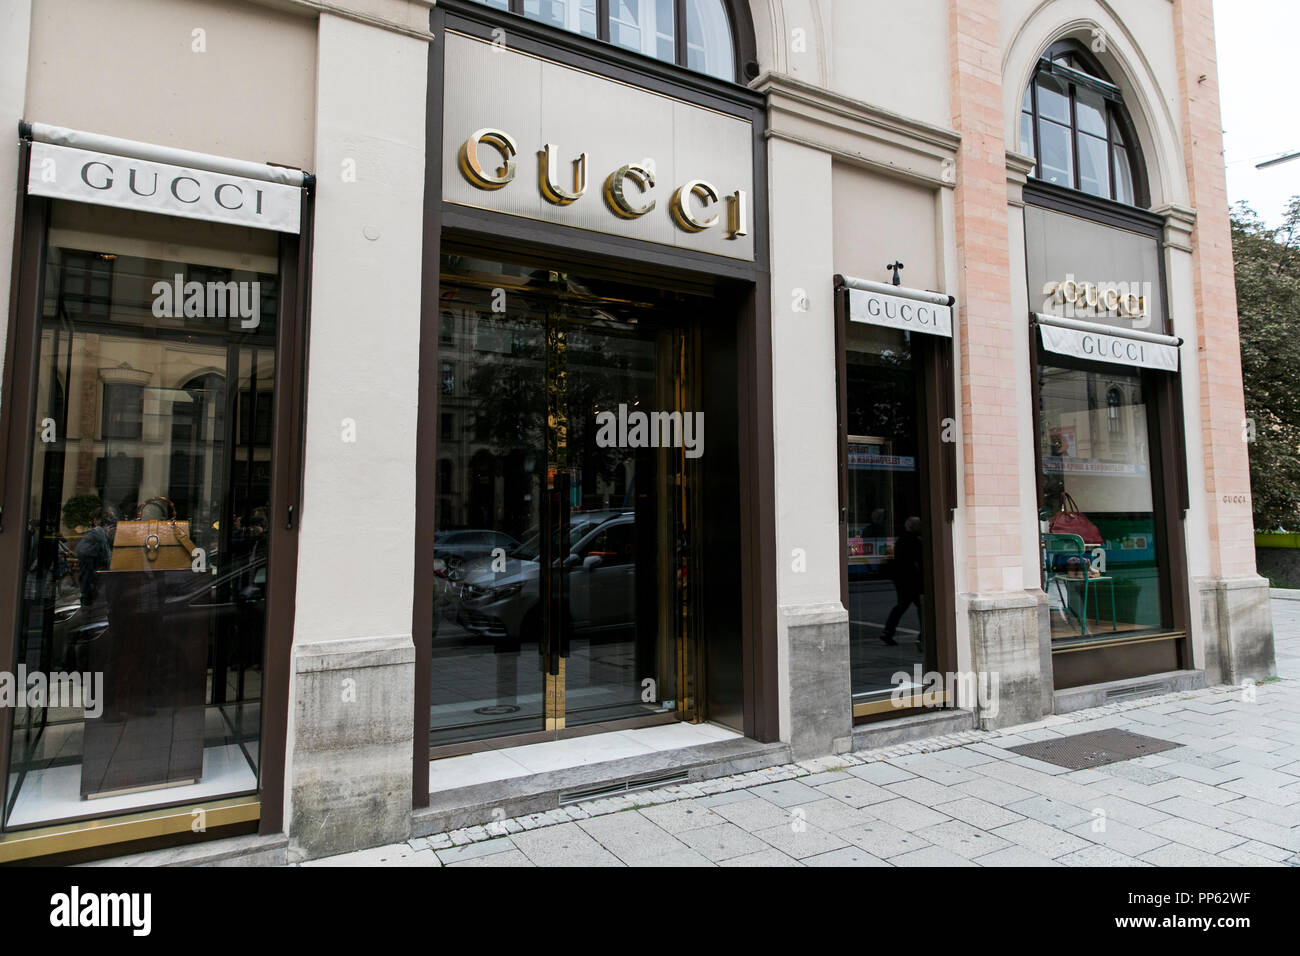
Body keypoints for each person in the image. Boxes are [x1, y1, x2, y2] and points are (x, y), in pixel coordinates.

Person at [880, 516, 923, 648]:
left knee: (902, 606)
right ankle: (924, 636)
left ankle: (888, 632)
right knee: (921, 607)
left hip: (902, 579)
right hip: (913, 579)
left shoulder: (901, 540)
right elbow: (919, 561)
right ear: (915, 527)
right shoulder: (916, 540)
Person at [74, 507, 117, 606]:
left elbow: (83, 556)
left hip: (97, 587)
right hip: (102, 586)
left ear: (95, 520)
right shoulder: (104, 533)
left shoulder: (94, 534)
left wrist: (86, 594)